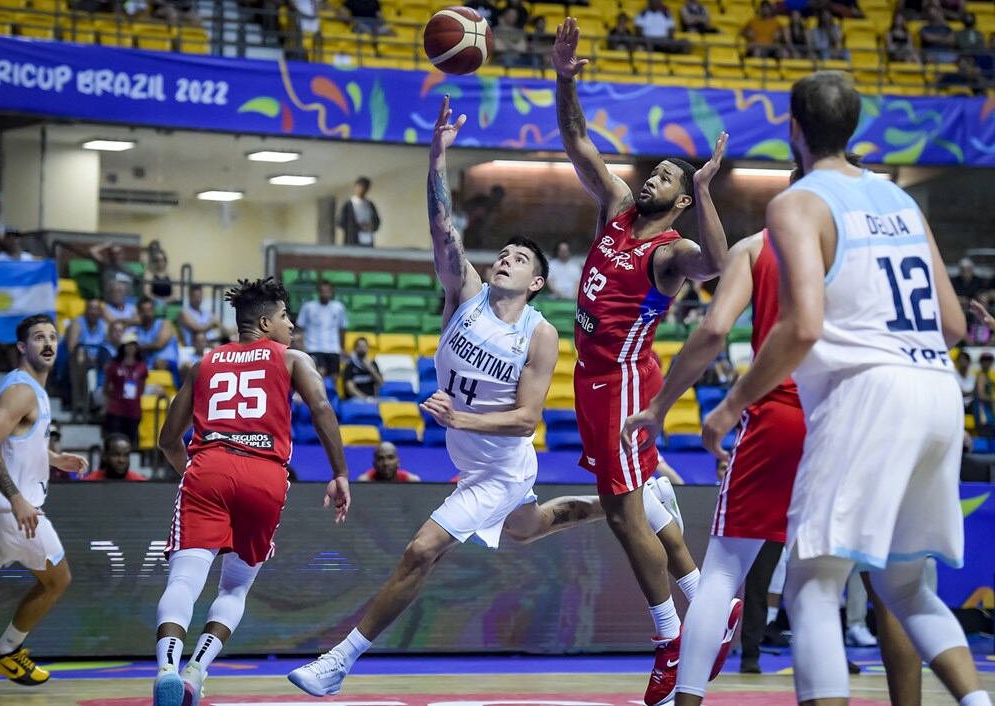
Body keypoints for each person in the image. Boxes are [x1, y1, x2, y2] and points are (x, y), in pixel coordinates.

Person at [287, 95, 702, 698]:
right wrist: (436, 159)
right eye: (502, 252)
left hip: (499, 466)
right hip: (470, 459)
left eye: (520, 258)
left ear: (537, 282)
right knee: (532, 528)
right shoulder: (465, 292)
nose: (504, 257)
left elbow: (528, 419)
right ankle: (650, 500)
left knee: (420, 551)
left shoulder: (540, 333)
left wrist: (462, 417)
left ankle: (339, 661)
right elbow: (442, 226)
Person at [701, 70, 989, 706]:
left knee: (810, 584)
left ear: (793, 130)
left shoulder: (798, 202)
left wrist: (729, 405)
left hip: (870, 394)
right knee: (908, 586)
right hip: (939, 393)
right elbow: (951, 323)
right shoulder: (901, 199)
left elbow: (802, 325)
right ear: (855, 126)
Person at [625, 154, 922, 705]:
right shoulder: (871, 250)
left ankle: (685, 701)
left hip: (781, 415)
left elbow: (714, 329)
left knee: (721, 573)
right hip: (860, 417)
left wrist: (662, 405)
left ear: (788, 187)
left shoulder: (757, 248)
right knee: (885, 587)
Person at [553, 19, 733, 705]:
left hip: (624, 383)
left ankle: (672, 639)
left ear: (681, 202)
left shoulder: (670, 252)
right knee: (632, 507)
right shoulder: (619, 209)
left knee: (625, 512)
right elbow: (576, 140)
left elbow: (717, 264)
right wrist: (566, 78)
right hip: (592, 375)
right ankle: (705, 608)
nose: (651, 177)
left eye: (667, 177)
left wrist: (708, 191)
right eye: (654, 171)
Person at [151, 278, 350, 706]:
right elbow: (322, 409)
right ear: (264, 322)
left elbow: (168, 439)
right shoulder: (293, 359)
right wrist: (341, 474)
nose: (291, 325)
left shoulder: (204, 363)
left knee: (185, 579)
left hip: (208, 466)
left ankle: (166, 666)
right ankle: (195, 672)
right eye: (284, 317)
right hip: (266, 476)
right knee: (234, 589)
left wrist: (197, 474)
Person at [0, 315, 89, 685]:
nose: (48, 343)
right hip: (13, 512)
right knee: (57, 579)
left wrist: (53, 458)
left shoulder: (34, 389)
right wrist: (17, 499)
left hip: (7, 510)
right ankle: (6, 651)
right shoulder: (21, 391)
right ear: (22, 347)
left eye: (52, 337)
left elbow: (16, 439)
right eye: (38, 338)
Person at [66, 297, 108, 422]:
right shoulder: (77, 323)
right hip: (78, 361)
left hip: (98, 361)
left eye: (96, 309)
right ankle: (80, 401)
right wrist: (88, 357)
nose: (93, 312)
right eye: (91, 308)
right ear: (86, 310)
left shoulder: (104, 326)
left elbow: (108, 345)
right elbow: (71, 347)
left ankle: (99, 401)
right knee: (80, 354)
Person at [103, 332, 148, 447]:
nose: (131, 348)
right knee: (113, 442)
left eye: (133, 345)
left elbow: (142, 387)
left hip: (133, 410)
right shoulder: (114, 365)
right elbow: (106, 386)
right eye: (128, 345)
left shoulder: (141, 366)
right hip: (116, 409)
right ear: (123, 347)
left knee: (130, 444)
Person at [296, 282, 347, 380]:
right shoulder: (308, 307)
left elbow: (342, 328)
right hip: (314, 348)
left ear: (332, 292)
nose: (325, 294)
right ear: (318, 292)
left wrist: (342, 347)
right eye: (322, 291)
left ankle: (332, 395)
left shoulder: (338, 308)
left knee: (334, 378)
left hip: (333, 348)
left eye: (327, 291)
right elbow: (300, 328)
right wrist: (301, 346)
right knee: (318, 376)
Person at [133, 297, 180, 373]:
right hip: (148, 367)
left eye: (149, 310)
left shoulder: (165, 323)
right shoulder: (137, 329)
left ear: (154, 311)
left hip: (169, 364)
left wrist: (138, 348)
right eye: (143, 311)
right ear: (138, 312)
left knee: (159, 363)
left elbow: (159, 344)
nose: (146, 313)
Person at [337, 176, 381, 246]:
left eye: (365, 188)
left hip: (367, 239)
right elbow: (340, 222)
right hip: (352, 240)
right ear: (355, 187)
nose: (362, 190)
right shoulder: (348, 205)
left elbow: (377, 221)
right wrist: (357, 226)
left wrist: (371, 225)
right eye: (360, 187)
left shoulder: (370, 204)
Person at [357, 442, 421, 482]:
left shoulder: (410, 481)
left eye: (390, 458)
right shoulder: (365, 481)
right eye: (380, 459)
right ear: (374, 464)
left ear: (398, 462)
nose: (386, 463)